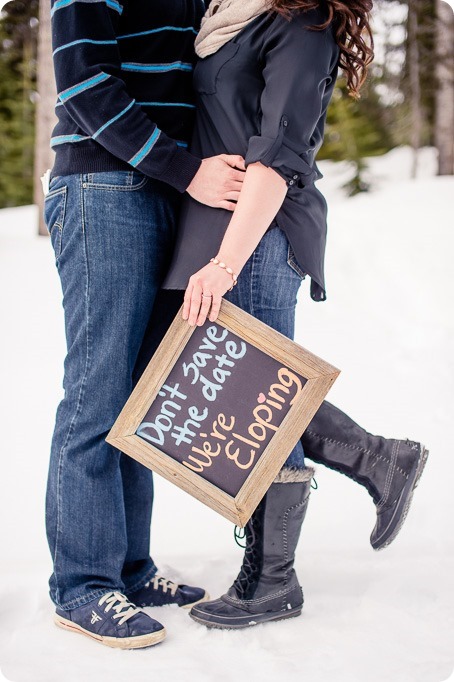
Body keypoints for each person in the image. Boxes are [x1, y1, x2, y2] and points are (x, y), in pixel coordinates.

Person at [153, 0, 429, 629]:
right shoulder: (226, 19)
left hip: (256, 236)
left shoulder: (303, 23)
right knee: (244, 397)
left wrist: (227, 261)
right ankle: (376, 456)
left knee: (259, 401)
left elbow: (278, 155)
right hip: (213, 234)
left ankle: (272, 577)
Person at [45, 0, 249, 650]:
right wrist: (187, 170)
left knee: (142, 398)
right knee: (97, 394)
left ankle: (130, 569)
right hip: (103, 188)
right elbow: (82, 85)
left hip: (165, 195)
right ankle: (82, 584)